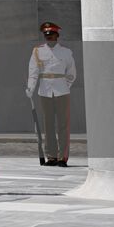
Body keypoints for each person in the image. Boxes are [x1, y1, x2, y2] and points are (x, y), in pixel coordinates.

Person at [27, 21, 77, 167]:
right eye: (46, 35)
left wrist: (64, 86)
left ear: (57, 35)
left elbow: (71, 73)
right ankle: (51, 156)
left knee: (63, 125)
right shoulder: (38, 51)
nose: (49, 37)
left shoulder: (66, 52)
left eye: (52, 34)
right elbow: (33, 72)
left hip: (62, 91)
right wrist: (31, 87)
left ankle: (63, 157)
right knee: (48, 125)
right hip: (45, 91)